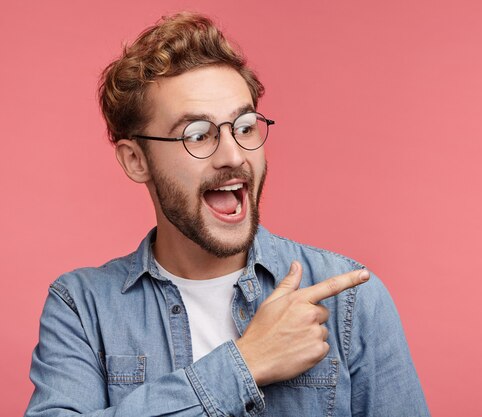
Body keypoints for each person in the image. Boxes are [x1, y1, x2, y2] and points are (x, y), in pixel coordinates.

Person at [26, 12, 430, 417]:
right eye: (198, 134)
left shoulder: (351, 301)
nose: (234, 156)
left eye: (245, 126)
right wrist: (245, 364)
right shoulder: (82, 308)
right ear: (136, 160)